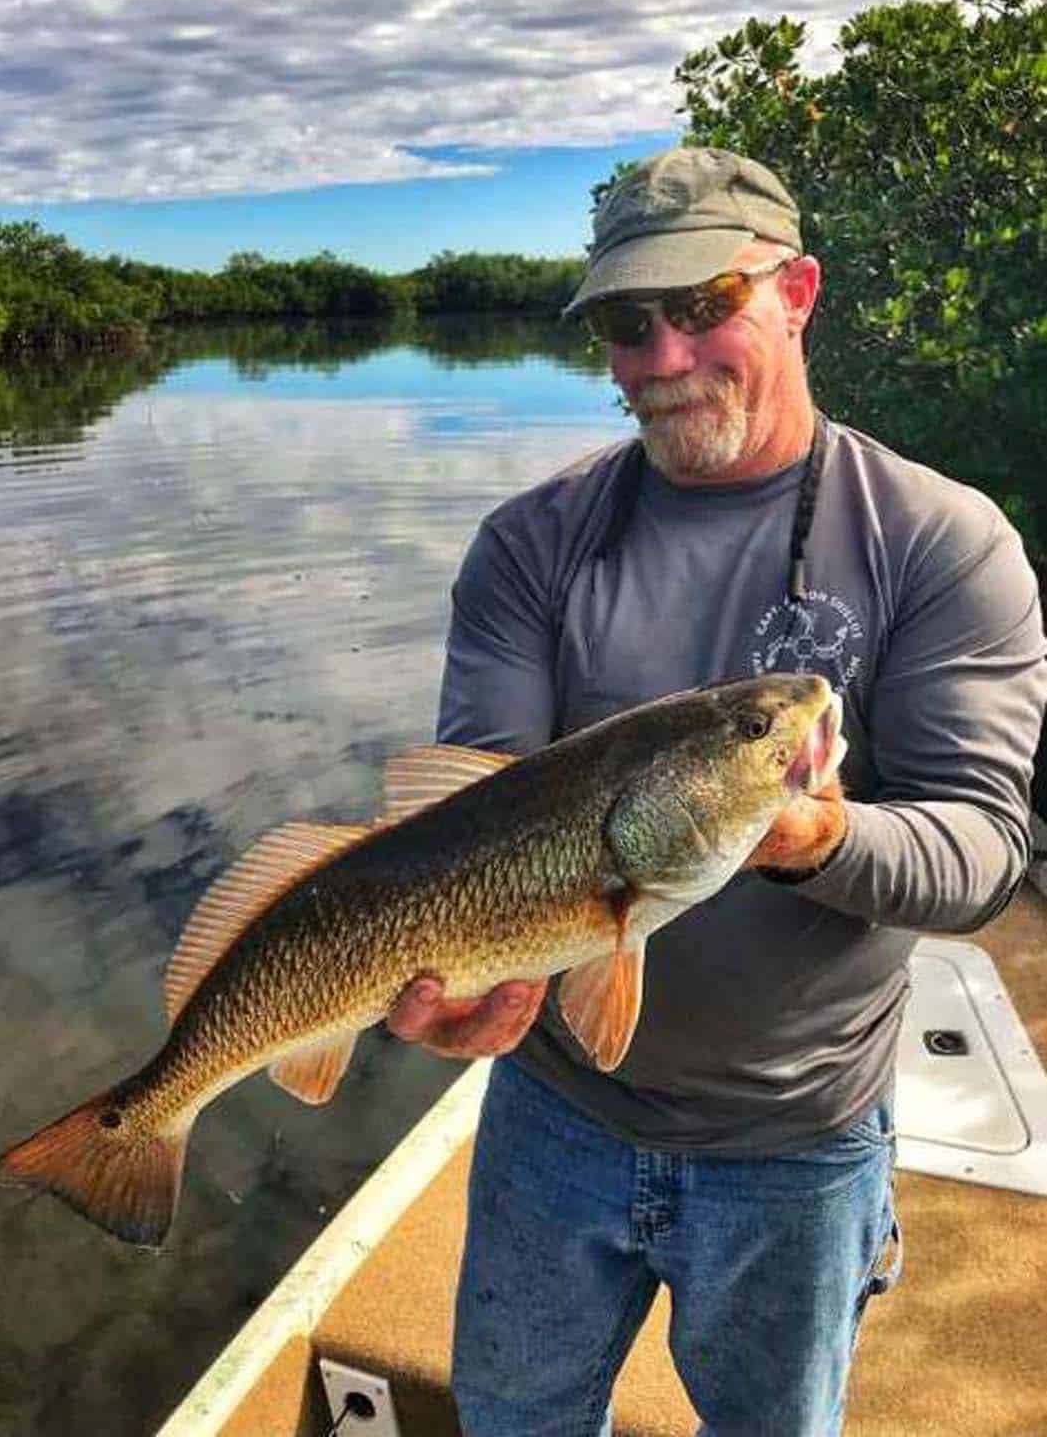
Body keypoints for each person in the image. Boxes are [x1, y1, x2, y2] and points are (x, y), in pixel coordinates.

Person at [386, 146, 1047, 1437]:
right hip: (552, 1111)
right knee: (509, 1417)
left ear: (796, 291)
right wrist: (470, 994)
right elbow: (468, 815)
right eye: (629, 324)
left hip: (793, 1146)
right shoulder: (530, 544)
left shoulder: (937, 540)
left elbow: (980, 851)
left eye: (704, 307)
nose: (664, 356)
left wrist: (799, 831)